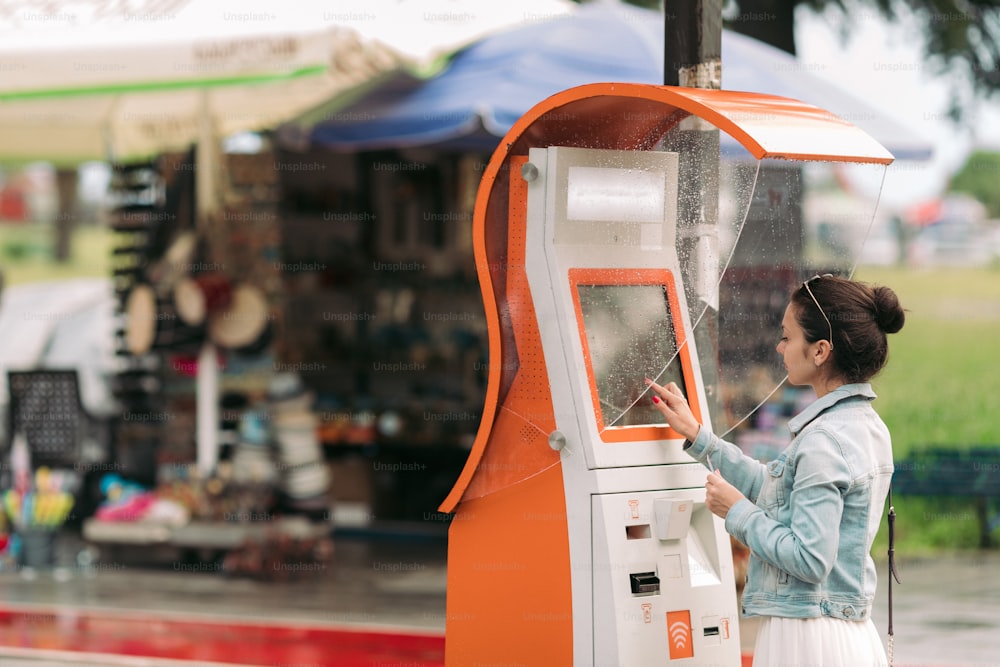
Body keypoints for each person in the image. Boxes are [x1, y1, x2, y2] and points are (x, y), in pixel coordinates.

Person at [646, 274, 905, 667]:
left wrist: (737, 512)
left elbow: (810, 558)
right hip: (843, 633)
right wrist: (700, 437)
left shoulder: (824, 440)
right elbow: (777, 489)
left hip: (807, 636)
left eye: (787, 336)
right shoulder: (867, 427)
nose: (779, 347)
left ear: (820, 351)